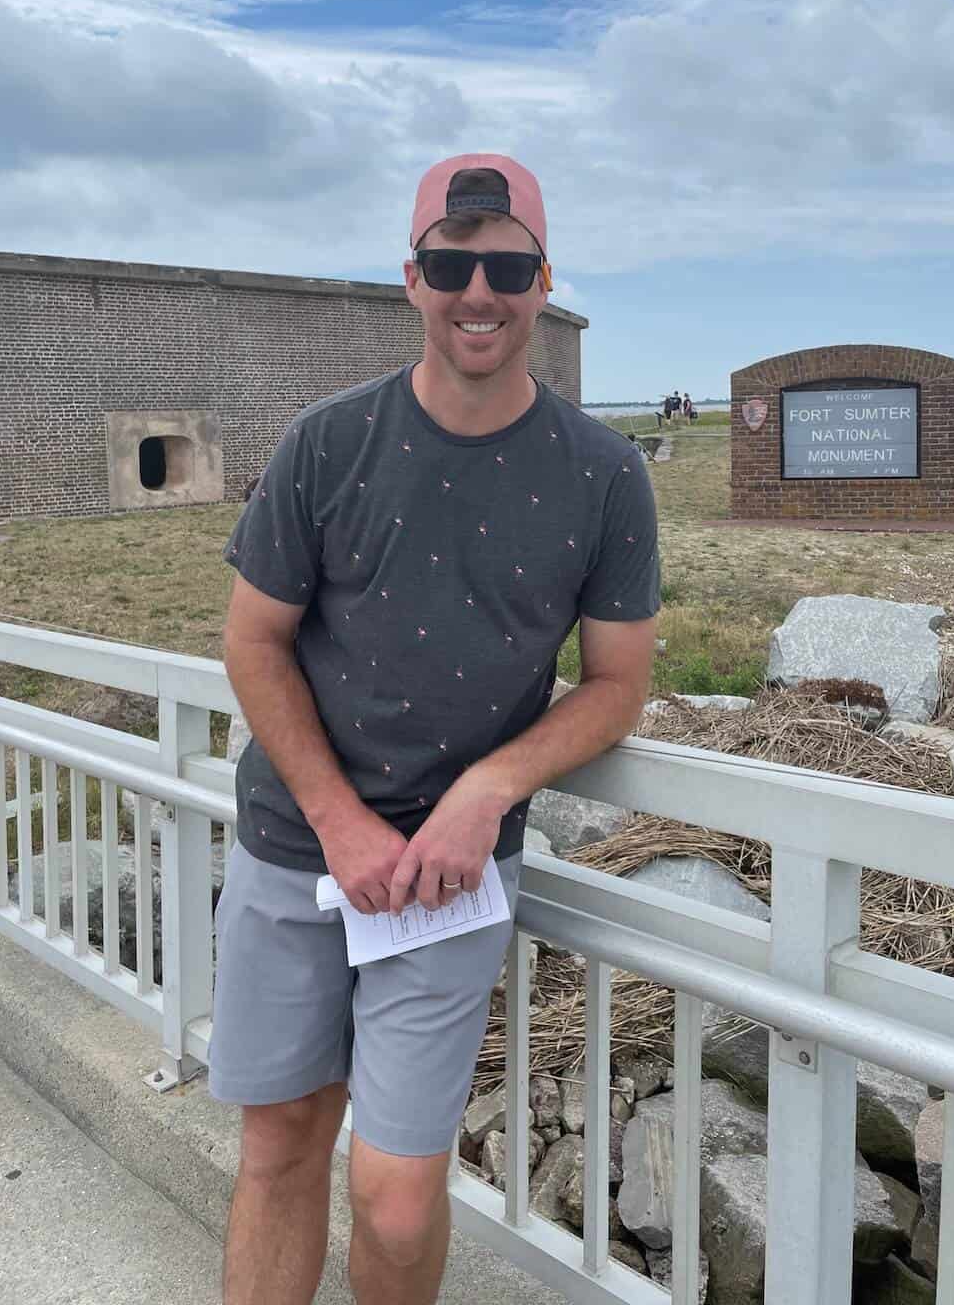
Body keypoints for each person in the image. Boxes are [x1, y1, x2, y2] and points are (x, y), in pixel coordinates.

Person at [210, 152, 660, 1305]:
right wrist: (338, 818)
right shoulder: (326, 442)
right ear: (411, 279)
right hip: (294, 849)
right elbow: (253, 641)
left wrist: (487, 790)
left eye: (505, 265)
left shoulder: (606, 474)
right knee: (280, 1146)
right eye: (450, 263)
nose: (478, 291)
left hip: (452, 877)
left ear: (543, 280)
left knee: (399, 1195)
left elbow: (616, 685)